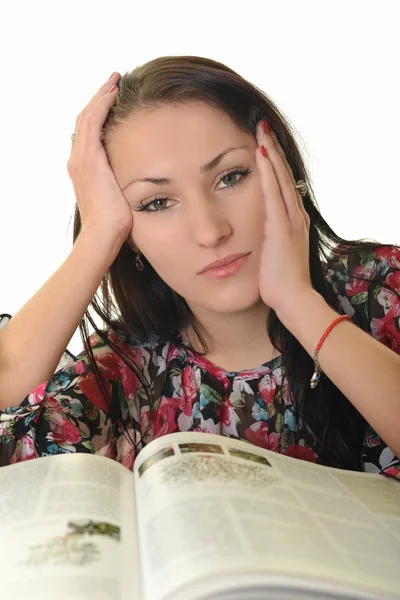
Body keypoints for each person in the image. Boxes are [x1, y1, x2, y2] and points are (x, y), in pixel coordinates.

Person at [0, 56, 399, 479]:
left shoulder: (383, 290)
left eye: (230, 177)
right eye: (156, 203)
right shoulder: (122, 372)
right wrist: (97, 234)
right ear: (127, 234)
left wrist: (300, 304)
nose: (210, 231)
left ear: (280, 168)